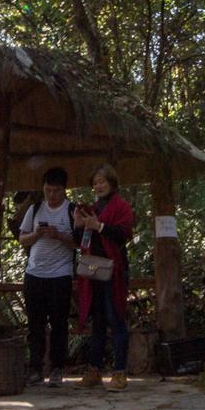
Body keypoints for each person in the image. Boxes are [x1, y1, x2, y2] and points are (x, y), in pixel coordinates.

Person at [74, 163, 135, 391]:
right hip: (93, 270)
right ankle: (94, 370)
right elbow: (82, 239)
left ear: (112, 183)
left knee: (116, 316)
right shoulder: (93, 207)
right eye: (95, 182)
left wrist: (99, 226)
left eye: (103, 182)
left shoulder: (121, 206)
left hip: (114, 270)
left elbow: (123, 233)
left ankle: (119, 372)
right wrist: (79, 225)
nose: (99, 186)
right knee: (97, 320)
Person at [16, 168, 77, 387]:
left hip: (60, 274)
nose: (52, 195)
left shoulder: (72, 211)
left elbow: (79, 243)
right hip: (34, 274)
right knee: (35, 324)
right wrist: (37, 234)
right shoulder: (35, 209)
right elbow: (23, 239)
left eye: (56, 191)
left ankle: (58, 368)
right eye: (48, 190)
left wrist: (58, 235)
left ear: (64, 190)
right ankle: (35, 367)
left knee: (59, 323)